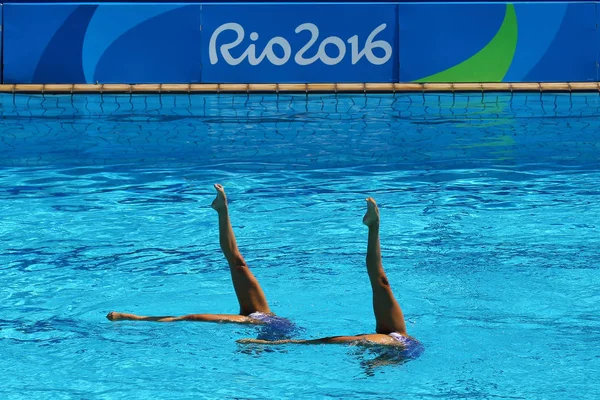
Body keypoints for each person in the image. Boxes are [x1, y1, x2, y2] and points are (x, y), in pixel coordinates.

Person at [239, 197, 423, 357]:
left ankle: (373, 227)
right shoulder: (392, 346)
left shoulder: (385, 347)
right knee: (380, 282)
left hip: (397, 343)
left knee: (379, 286)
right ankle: (373, 226)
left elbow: (376, 357)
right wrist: (372, 364)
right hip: (400, 338)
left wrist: (372, 364)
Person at [106, 184, 291, 335]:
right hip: (264, 315)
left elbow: (297, 343)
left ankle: (135, 318)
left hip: (253, 322)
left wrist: (253, 344)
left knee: (193, 317)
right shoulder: (283, 338)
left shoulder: (280, 343)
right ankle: (222, 210)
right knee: (238, 262)